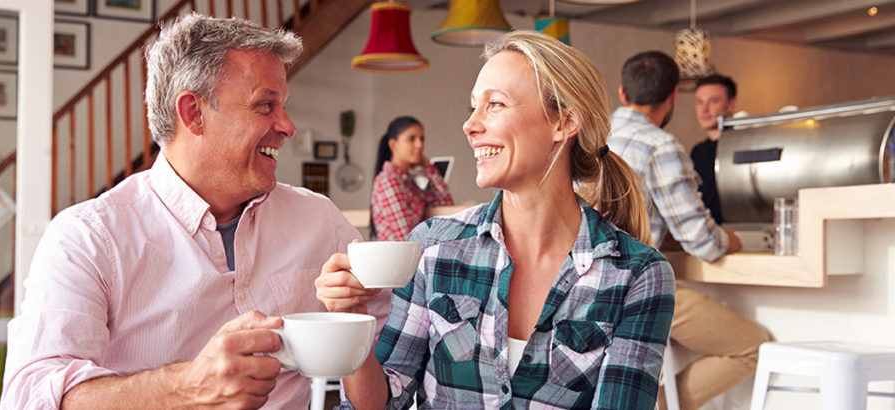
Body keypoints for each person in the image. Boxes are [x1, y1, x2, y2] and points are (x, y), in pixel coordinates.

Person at [0, 15, 390, 409]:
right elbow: (32, 396)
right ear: (193, 113)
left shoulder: (318, 220)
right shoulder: (88, 237)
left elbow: (385, 381)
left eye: (283, 106)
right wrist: (187, 386)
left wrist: (352, 322)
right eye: (265, 105)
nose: (288, 126)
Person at [315, 31, 676, 409]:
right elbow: (381, 403)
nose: (469, 125)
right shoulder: (435, 247)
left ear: (563, 122)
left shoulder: (638, 275)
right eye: (473, 107)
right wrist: (350, 322)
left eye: (495, 105)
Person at [607, 51, 770, 410]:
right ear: (672, 98)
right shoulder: (660, 146)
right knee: (754, 346)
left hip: (588, 291)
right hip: (635, 290)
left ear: (622, 93)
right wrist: (734, 240)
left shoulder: (589, 139)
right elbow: (702, 242)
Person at [370, 116, 453, 241]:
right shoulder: (388, 180)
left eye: (422, 139)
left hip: (414, 254)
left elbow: (446, 207)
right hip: (400, 258)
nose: (420, 145)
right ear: (393, 145)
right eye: (411, 139)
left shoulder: (409, 182)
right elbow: (406, 238)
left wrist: (430, 169)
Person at [690, 74, 737, 224]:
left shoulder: (740, 146)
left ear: (730, 104)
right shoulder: (697, 151)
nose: (704, 109)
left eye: (713, 101)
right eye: (699, 102)